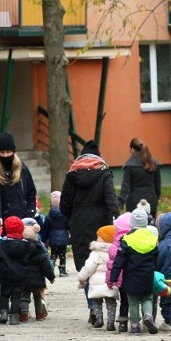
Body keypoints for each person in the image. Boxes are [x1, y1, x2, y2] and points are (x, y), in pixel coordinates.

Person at [60, 140, 120, 324]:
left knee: (87, 265)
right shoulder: (104, 174)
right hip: (100, 224)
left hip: (78, 223)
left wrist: (74, 217)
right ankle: (105, 308)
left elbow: (64, 205)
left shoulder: (71, 176)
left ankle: (92, 308)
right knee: (102, 263)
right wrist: (115, 219)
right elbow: (111, 199)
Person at [108, 207, 159, 334]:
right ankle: (148, 315)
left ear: (132, 223)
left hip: (131, 276)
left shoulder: (127, 239)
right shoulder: (152, 239)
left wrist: (113, 277)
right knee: (147, 298)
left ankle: (135, 325)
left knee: (133, 301)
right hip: (147, 275)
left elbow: (119, 261)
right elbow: (157, 257)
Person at [0, 132, 38, 235]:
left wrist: (31, 211)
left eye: (8, 152)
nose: (5, 155)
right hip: (3, 219)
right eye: (2, 152)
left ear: (13, 151)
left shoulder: (22, 168)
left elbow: (31, 192)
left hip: (22, 217)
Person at [77, 225, 120, 331]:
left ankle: (99, 318)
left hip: (96, 283)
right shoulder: (116, 252)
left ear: (104, 238)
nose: (96, 238)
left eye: (98, 236)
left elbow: (88, 268)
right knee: (111, 302)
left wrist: (81, 277)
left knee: (96, 301)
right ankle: (111, 321)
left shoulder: (96, 253)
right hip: (110, 282)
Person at [0, 216, 31, 326]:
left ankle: (4, 313)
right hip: (20, 274)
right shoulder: (26, 245)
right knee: (16, 296)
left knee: (4, 294)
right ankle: (14, 316)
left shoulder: (1, 244)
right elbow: (28, 259)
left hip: (5, 274)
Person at [19, 218, 56, 322]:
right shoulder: (40, 250)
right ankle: (39, 314)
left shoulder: (20, 250)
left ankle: (24, 315)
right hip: (38, 279)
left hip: (24, 279)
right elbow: (46, 266)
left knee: (24, 297)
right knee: (38, 297)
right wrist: (51, 277)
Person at [118, 138, 161, 217]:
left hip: (133, 203)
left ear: (133, 149)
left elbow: (125, 187)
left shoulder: (130, 165)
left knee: (135, 228)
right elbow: (157, 186)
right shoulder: (154, 163)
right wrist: (156, 198)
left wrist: (120, 204)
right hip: (151, 201)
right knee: (151, 228)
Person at [105, 212, 132, 333]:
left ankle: (123, 323)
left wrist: (110, 280)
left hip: (121, 279)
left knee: (124, 301)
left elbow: (112, 264)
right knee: (135, 300)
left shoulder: (115, 244)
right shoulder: (134, 241)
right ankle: (136, 322)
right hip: (134, 277)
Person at [42, 190, 70, 277]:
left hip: (52, 238)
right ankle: (62, 271)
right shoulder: (65, 214)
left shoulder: (49, 215)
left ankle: (51, 268)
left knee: (53, 254)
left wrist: (45, 238)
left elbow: (46, 228)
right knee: (62, 254)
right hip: (63, 238)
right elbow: (68, 225)